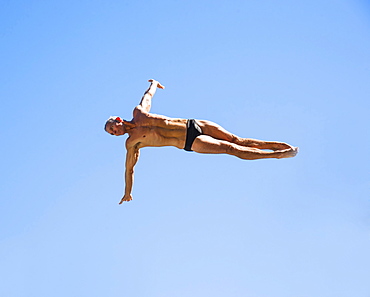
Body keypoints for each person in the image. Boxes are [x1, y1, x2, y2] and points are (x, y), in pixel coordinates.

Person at [105, 79, 298, 204]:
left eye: (113, 128)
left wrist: (154, 84)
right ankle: (278, 155)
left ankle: (279, 145)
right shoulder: (132, 143)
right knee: (230, 148)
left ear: (118, 121)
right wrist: (127, 192)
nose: (115, 133)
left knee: (237, 140)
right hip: (189, 142)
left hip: (193, 124)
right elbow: (129, 169)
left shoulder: (139, 113)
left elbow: (147, 96)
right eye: (112, 134)